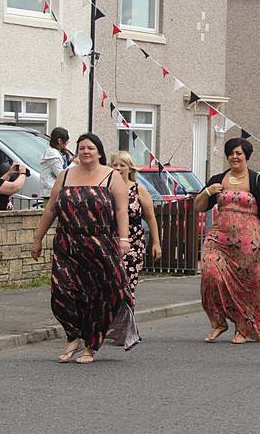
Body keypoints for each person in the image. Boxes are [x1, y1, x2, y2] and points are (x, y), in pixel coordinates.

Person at [31, 133, 137, 364]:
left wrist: (124, 238)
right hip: (67, 243)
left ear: (99, 152)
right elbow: (51, 209)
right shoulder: (65, 175)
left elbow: (121, 211)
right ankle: (73, 335)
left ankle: (91, 344)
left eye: (90, 148)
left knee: (100, 295)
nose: (85, 151)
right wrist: (37, 239)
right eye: (81, 148)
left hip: (100, 244)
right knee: (61, 292)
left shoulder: (111, 177)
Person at [195, 138, 260, 344]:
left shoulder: (258, 180)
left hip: (250, 244)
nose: (234, 157)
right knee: (210, 274)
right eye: (231, 153)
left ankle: (243, 327)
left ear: (246, 156)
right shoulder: (218, 179)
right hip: (218, 239)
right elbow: (198, 206)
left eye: (238, 153)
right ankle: (218, 322)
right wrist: (207, 191)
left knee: (247, 286)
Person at [110, 151, 162, 305]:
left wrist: (156, 243)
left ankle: (126, 320)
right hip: (111, 241)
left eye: (122, 165)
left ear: (130, 168)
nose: (118, 168)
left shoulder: (138, 190)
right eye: (115, 165)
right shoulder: (107, 189)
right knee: (111, 286)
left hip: (134, 243)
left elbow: (151, 217)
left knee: (126, 284)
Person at [40, 127, 71, 200]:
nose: (66, 144)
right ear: (60, 141)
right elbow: (60, 174)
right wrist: (74, 164)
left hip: (56, 192)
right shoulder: (52, 154)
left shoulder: (57, 153)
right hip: (51, 193)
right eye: (66, 142)